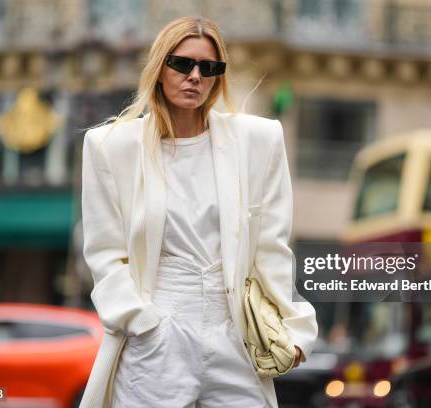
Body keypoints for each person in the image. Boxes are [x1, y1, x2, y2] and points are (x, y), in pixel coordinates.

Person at [78, 16, 318, 408]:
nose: (195, 76)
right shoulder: (111, 146)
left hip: (234, 332)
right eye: (182, 64)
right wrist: (142, 323)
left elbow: (271, 247)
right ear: (159, 68)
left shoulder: (258, 141)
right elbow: (105, 253)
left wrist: (294, 332)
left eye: (209, 68)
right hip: (158, 334)